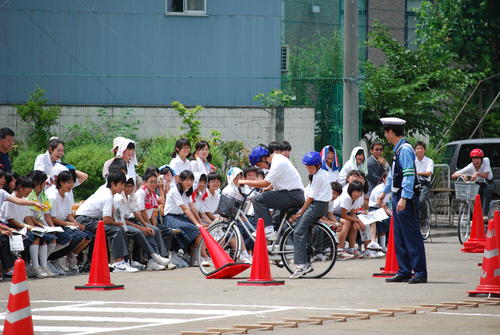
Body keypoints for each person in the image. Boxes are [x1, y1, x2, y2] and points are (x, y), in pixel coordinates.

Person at [378, 117, 427, 284]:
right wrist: (384, 192)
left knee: (411, 235)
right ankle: (404, 270)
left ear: (391, 132)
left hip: (404, 197)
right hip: (396, 196)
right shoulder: (398, 150)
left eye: (385, 132)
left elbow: (408, 175)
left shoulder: (404, 150)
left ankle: (419, 272)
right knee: (399, 235)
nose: (385, 135)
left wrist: (404, 198)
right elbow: (393, 175)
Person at [75, 171, 138, 272]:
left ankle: (123, 261)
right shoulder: (107, 196)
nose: (123, 187)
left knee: (119, 229)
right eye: (121, 184)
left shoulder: (109, 193)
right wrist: (116, 223)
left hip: (89, 219)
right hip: (84, 220)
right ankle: (118, 263)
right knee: (116, 230)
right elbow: (107, 220)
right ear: (113, 184)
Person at [239, 142, 304, 239]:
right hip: (293, 194)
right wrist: (268, 188)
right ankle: (275, 244)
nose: (261, 167)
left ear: (264, 158)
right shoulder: (278, 159)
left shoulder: (277, 163)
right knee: (276, 220)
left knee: (257, 199)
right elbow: (278, 180)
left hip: (292, 195)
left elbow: (265, 182)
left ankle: (267, 230)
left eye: (259, 164)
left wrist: (244, 181)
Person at [289, 152, 331, 278]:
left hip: (316, 205)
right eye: (307, 166)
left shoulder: (319, 177)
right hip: (321, 205)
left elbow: (311, 198)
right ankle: (305, 261)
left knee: (298, 231)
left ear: (318, 165)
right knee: (304, 229)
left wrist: (301, 211)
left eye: (311, 166)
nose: (308, 168)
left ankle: (302, 265)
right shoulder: (320, 174)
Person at [47, 170, 92, 274]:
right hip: (56, 224)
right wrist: (70, 224)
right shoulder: (53, 197)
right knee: (74, 237)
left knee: (87, 236)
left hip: (65, 223)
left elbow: (68, 215)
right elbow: (53, 218)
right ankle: (55, 258)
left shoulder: (66, 196)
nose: (71, 185)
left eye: (72, 182)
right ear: (61, 182)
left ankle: (71, 256)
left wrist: (76, 223)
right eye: (69, 182)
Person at [163, 170, 205, 266]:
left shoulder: (187, 192)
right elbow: (186, 209)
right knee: (196, 230)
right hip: (171, 218)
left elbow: (193, 208)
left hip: (181, 217)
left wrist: (199, 222)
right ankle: (200, 257)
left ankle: (197, 258)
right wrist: (197, 224)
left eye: (191, 180)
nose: (189, 183)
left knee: (200, 230)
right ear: (180, 180)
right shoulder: (175, 190)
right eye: (187, 180)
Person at [451, 148, 495, 217]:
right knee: (475, 197)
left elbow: (486, 175)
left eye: (478, 158)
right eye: (474, 159)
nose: (476, 161)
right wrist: (463, 175)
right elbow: (453, 175)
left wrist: (477, 173)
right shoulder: (470, 167)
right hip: (478, 184)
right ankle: (475, 216)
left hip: (488, 182)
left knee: (487, 191)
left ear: (481, 159)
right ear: (472, 160)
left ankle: (484, 215)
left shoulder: (486, 160)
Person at [414, 141, 434, 221]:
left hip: (424, 184)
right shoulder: (412, 160)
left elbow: (429, 173)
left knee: (421, 201)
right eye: (417, 148)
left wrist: (417, 173)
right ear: (415, 150)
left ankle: (424, 218)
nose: (419, 150)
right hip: (414, 183)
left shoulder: (429, 161)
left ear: (424, 150)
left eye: (421, 148)